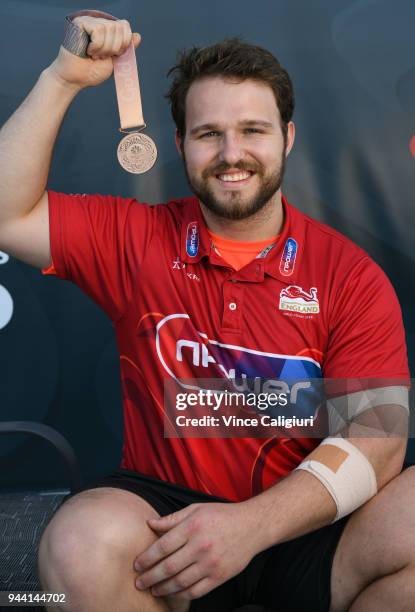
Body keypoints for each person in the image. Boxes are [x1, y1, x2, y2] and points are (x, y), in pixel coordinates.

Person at [0, 13, 412, 612]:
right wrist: (63, 77)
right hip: (169, 523)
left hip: (311, 522)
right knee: (79, 546)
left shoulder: (349, 274)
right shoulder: (134, 238)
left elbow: (377, 442)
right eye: (208, 133)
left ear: (288, 138)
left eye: (253, 130)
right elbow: (7, 215)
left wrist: (249, 527)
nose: (231, 154)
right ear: (179, 144)